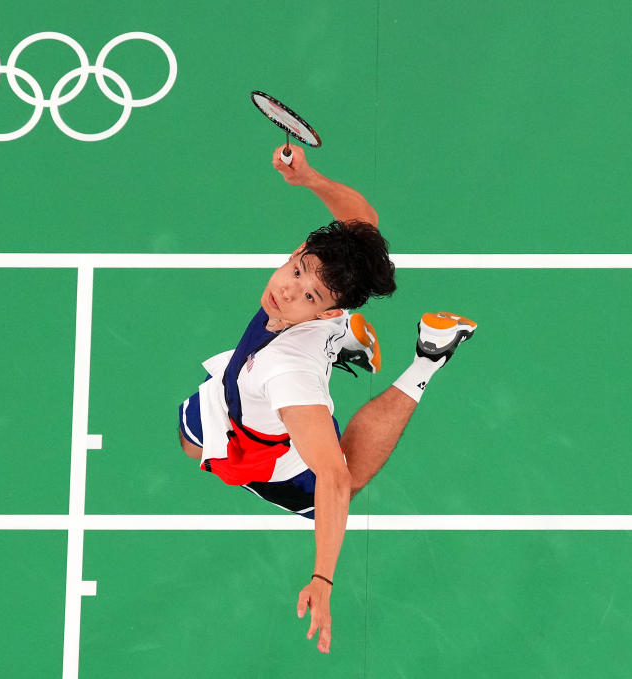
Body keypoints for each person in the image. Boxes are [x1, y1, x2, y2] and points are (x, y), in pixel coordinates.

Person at [177, 144, 477, 654]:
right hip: (236, 390)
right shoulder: (321, 267)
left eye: (310, 296)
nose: (288, 291)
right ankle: (345, 342)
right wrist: (310, 179)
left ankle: (429, 356)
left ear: (325, 311)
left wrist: (323, 578)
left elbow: (335, 479)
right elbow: (363, 219)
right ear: (300, 256)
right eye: (297, 271)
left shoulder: (290, 377)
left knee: (338, 490)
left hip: (271, 441)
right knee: (190, 442)